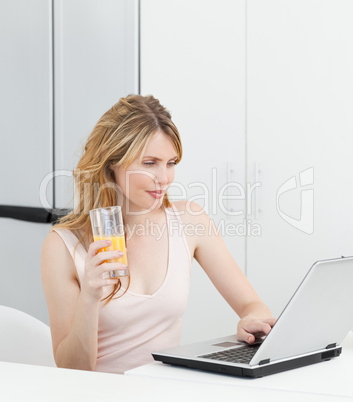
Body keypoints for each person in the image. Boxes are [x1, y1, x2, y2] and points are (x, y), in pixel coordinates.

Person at [41, 94, 275, 374]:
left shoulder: (189, 221)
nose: (164, 178)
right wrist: (90, 297)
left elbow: (254, 306)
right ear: (112, 162)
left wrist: (252, 319)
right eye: (150, 163)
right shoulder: (63, 246)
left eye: (171, 163)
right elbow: (71, 368)